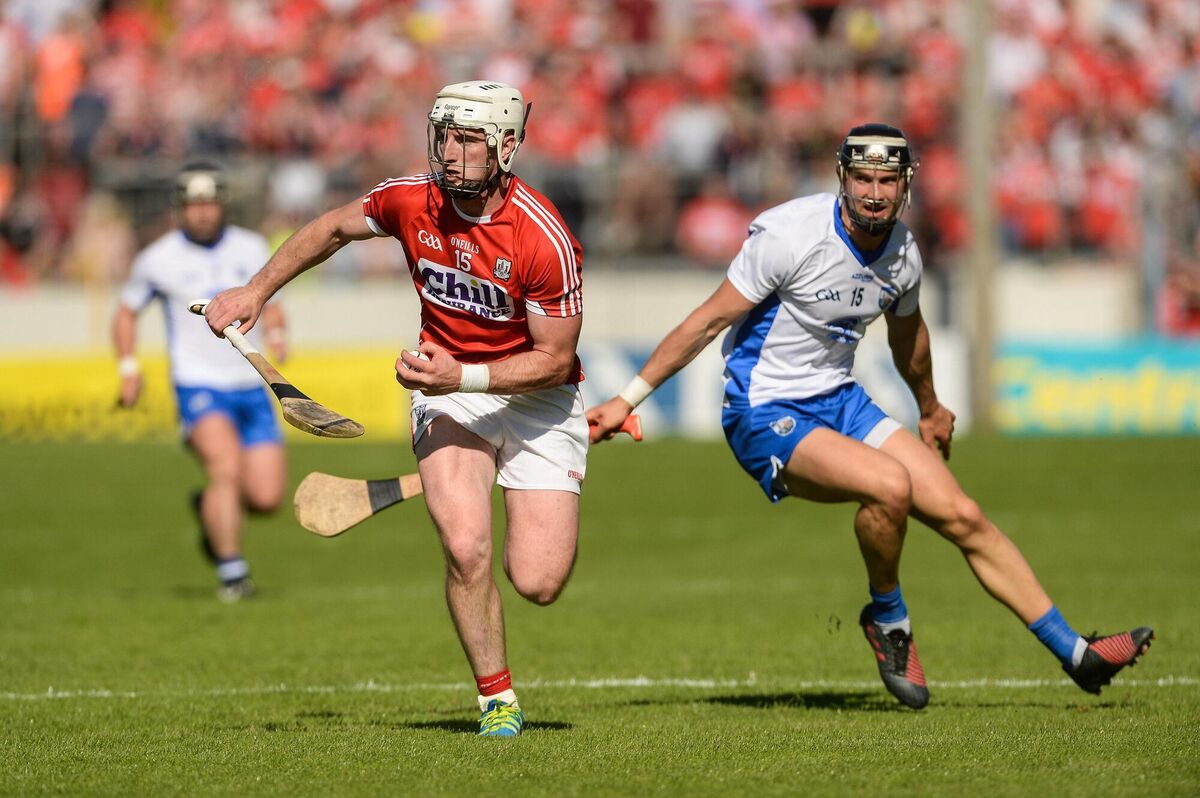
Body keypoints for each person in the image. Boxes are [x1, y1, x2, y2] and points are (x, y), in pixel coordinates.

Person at [588, 123, 1154, 709]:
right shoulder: (789, 235)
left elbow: (908, 336)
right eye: (863, 178)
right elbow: (705, 321)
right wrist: (628, 398)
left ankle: (1076, 655)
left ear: (905, 185)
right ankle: (888, 620)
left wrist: (929, 408)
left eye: (887, 180)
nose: (875, 192)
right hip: (764, 410)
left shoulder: (904, 254)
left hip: (840, 400)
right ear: (842, 176)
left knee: (963, 514)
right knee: (890, 487)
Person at [202, 81, 586, 736]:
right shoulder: (413, 199)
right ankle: (497, 701)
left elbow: (554, 359)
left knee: (538, 580)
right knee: (466, 545)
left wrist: (463, 375)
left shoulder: (542, 238)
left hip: (535, 401)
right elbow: (330, 228)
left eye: (468, 139)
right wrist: (257, 291)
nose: (451, 151)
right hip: (446, 396)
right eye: (445, 135)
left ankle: (489, 474)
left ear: (507, 146)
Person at [113, 162, 288, 603]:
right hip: (198, 385)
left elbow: (271, 297)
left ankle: (210, 510)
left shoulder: (250, 247)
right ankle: (233, 573)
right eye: (195, 205)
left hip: (250, 384)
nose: (204, 213)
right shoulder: (158, 258)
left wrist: (280, 333)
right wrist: (129, 368)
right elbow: (126, 312)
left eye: (210, 203)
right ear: (181, 210)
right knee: (225, 470)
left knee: (266, 497)